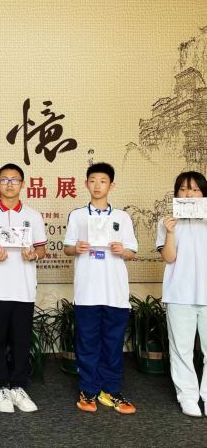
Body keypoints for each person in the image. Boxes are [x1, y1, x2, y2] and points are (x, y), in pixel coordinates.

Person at [63, 162, 138, 414]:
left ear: (111, 185)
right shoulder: (77, 215)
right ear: (86, 184)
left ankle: (111, 390)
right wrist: (77, 248)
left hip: (115, 292)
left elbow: (132, 252)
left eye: (103, 181)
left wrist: (122, 250)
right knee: (87, 342)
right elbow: (67, 248)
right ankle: (88, 389)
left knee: (113, 343)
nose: (97, 185)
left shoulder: (122, 217)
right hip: (87, 292)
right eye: (93, 180)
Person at [0, 163, 47, 413]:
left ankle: (18, 386)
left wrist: (33, 255)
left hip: (24, 289)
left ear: (22, 184)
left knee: (21, 339)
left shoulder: (33, 216)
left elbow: (41, 249)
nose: (9, 184)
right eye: (4, 179)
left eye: (14, 179)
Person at [156, 171, 207, 417]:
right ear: (176, 193)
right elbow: (169, 257)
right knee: (181, 349)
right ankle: (187, 396)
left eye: (195, 189)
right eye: (184, 189)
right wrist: (169, 233)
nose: (189, 194)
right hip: (179, 293)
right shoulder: (167, 221)